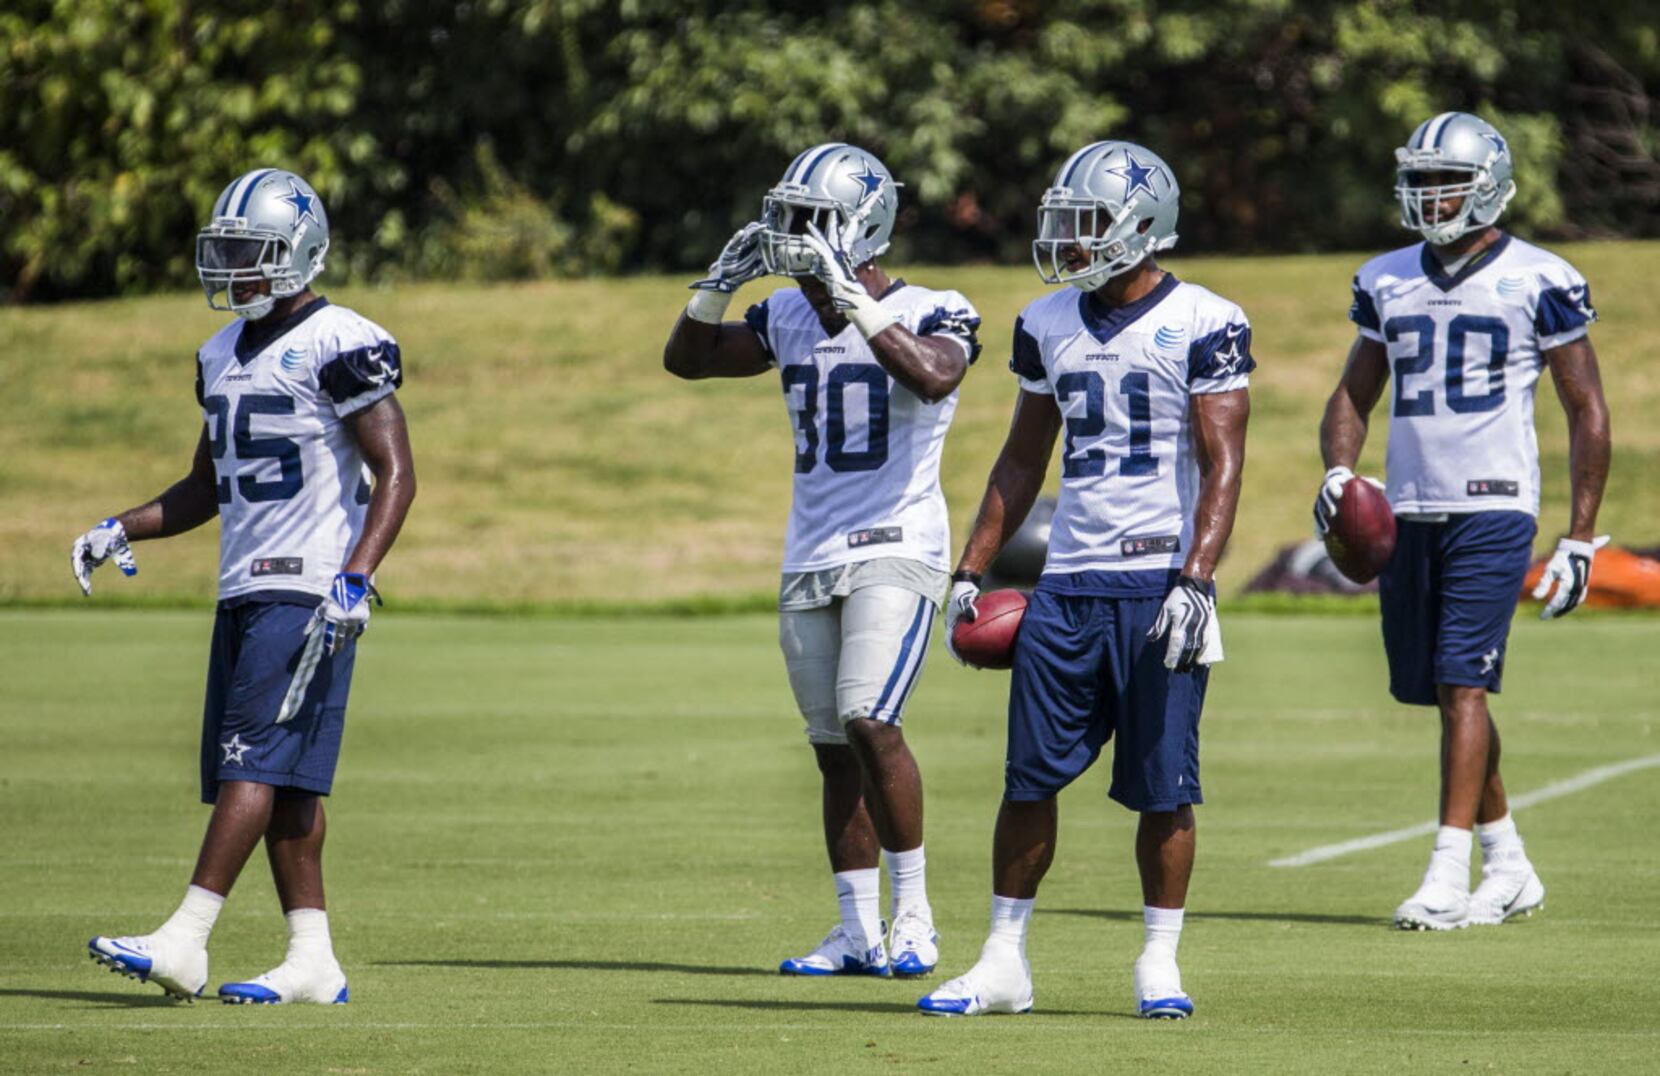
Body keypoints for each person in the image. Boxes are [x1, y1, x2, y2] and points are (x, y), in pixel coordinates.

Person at [918, 141, 1252, 1019]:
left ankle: (1158, 963)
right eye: (1065, 223)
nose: (1070, 240)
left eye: (1087, 223)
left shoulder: (1208, 319)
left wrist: (1198, 578)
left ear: (1141, 227)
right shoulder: (1046, 321)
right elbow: (1024, 456)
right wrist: (971, 567)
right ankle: (1002, 961)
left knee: (1164, 784)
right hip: (1066, 583)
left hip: (1158, 586)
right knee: (1027, 777)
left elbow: (1224, 465)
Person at [75, 167, 417, 1002]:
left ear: (301, 252)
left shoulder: (342, 339)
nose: (230, 267)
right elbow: (205, 488)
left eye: (249, 251)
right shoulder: (219, 351)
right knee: (287, 784)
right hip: (243, 588)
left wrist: (354, 578)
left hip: (308, 588)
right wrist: (123, 524)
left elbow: (397, 473)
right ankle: (313, 960)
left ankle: (186, 939)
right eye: (222, 250)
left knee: (250, 764)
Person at [663, 143, 981, 978]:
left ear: (863, 225)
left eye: (811, 221)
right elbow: (687, 360)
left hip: (898, 543)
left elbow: (935, 376)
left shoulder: (938, 304)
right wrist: (716, 286)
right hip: (811, 549)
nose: (792, 236)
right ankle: (855, 929)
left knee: (871, 720)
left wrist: (853, 299)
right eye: (785, 219)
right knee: (833, 746)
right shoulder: (787, 315)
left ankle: (915, 915)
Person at [1314, 112, 1610, 931]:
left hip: (1494, 502)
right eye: (1418, 179)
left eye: (1443, 180)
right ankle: (1509, 862)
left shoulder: (1540, 277)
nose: (1427, 195)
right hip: (1407, 509)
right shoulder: (1385, 277)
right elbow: (1352, 393)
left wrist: (1579, 533)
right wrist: (1340, 472)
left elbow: (1587, 411)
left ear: (1486, 184)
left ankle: (1446, 870)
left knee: (1462, 683)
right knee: (1443, 692)